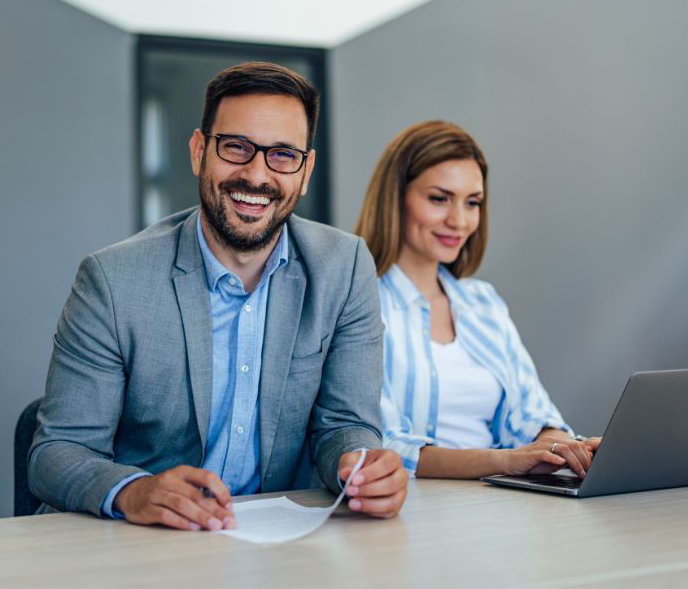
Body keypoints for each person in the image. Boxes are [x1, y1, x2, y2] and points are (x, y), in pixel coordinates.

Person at [30, 62, 407, 531]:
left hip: (278, 548)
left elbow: (345, 424)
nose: (255, 175)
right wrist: (133, 491)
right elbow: (56, 452)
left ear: (305, 171)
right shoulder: (112, 279)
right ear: (198, 151)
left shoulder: (344, 267)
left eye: (282, 156)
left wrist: (359, 465)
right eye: (236, 148)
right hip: (138, 545)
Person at [354, 120, 600, 480]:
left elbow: (535, 415)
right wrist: (507, 461)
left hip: (500, 504)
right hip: (413, 508)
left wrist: (564, 448)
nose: (459, 220)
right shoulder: (358, 302)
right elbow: (386, 447)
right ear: (396, 198)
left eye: (473, 203)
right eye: (439, 199)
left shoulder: (482, 302)